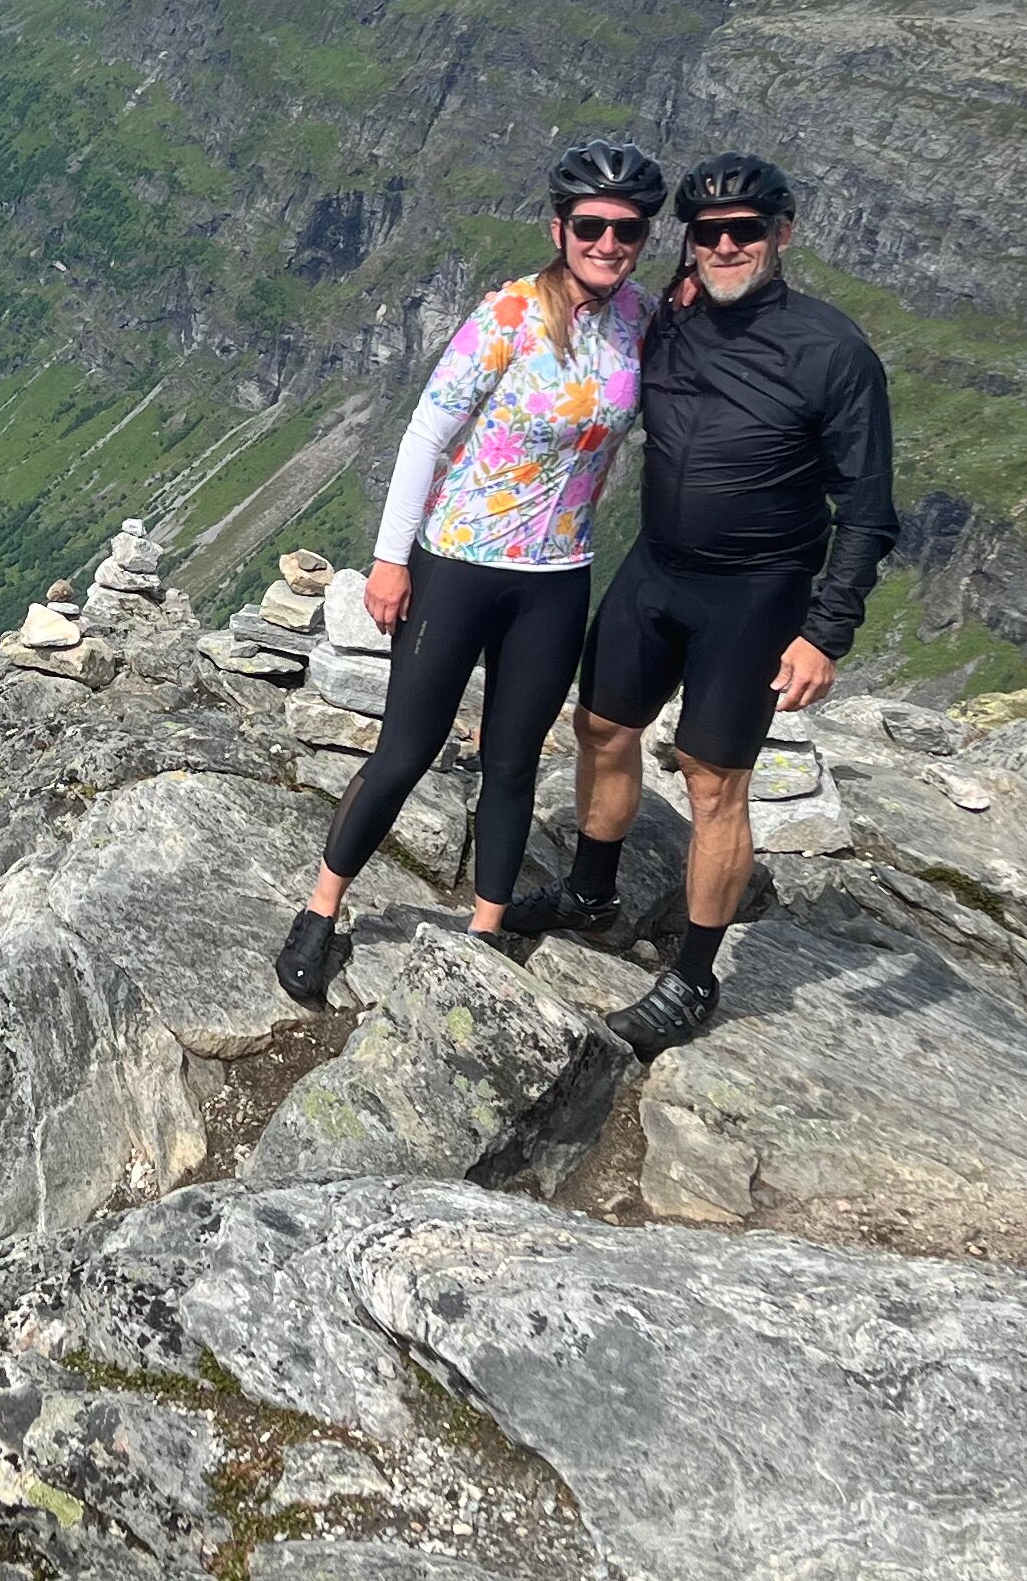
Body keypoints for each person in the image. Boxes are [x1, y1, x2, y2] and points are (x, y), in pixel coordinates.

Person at [507, 153, 897, 1056]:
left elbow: (870, 513)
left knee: (714, 781)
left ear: (782, 234)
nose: (726, 246)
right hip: (658, 569)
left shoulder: (832, 351)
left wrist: (823, 633)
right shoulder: (669, 320)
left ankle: (692, 975)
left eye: (746, 231)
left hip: (757, 593)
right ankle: (591, 893)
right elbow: (588, 320)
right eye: (709, 234)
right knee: (602, 727)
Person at [276, 142, 664, 1006]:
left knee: (515, 761)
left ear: (642, 236)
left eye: (626, 228)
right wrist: (389, 559)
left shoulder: (641, 318)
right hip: (457, 562)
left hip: (558, 574)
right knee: (406, 750)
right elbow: (426, 434)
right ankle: (321, 910)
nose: (607, 241)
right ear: (559, 228)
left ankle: (485, 932)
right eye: (591, 225)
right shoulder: (510, 316)